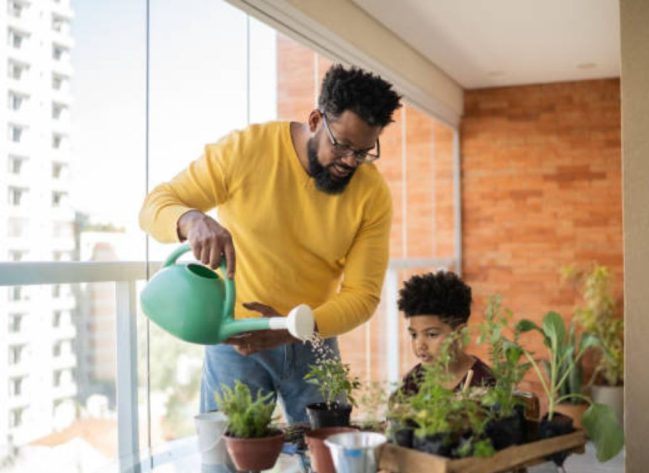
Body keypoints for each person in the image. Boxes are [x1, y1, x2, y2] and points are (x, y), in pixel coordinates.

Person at [139, 64, 402, 424]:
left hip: (313, 339)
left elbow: (363, 295)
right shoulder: (246, 151)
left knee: (328, 467)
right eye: (341, 145)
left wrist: (293, 330)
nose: (350, 162)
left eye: (364, 151)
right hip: (236, 338)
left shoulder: (371, 194)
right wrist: (191, 220)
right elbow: (154, 206)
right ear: (314, 120)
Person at [396, 270, 495, 395]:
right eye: (414, 335)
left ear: (459, 333)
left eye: (432, 334)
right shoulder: (412, 382)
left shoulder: (485, 381)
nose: (420, 345)